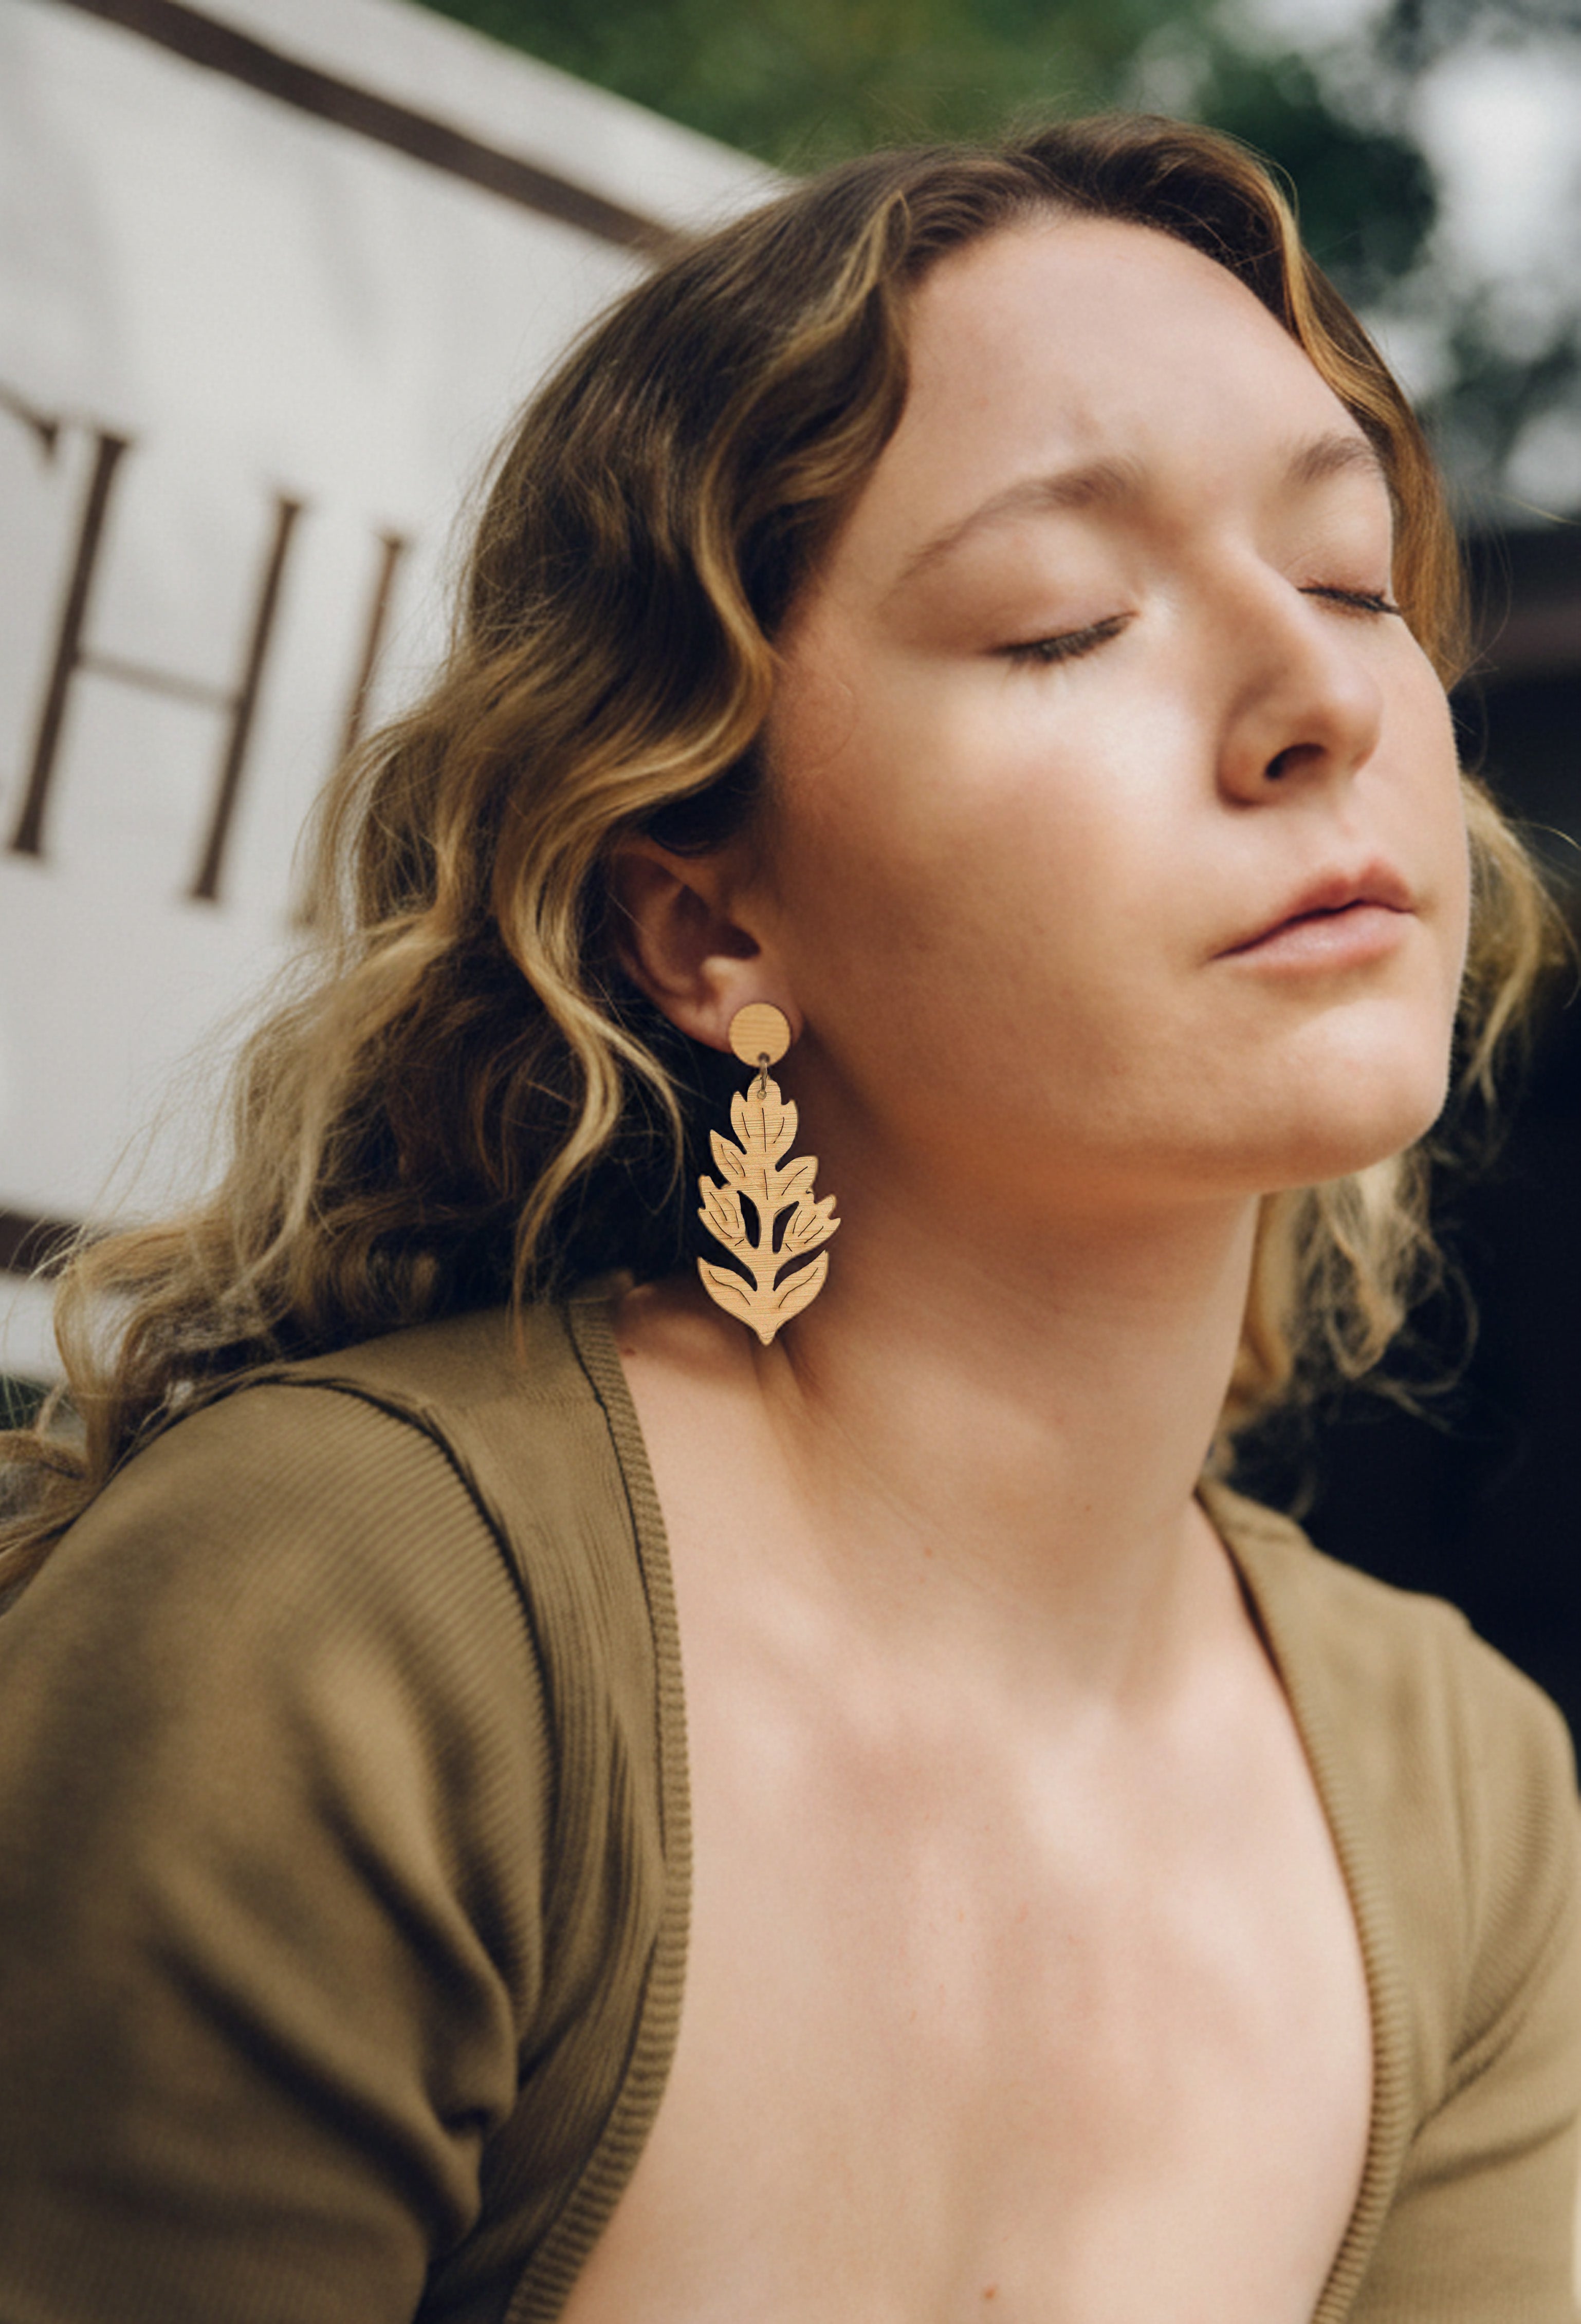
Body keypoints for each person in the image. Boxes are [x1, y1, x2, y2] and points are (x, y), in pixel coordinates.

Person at [1, 113, 1576, 2324]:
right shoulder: (349, 1622)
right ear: (704, 922)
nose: (1321, 697)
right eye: (1067, 621)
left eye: (1343, 578)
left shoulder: (1465, 1798)